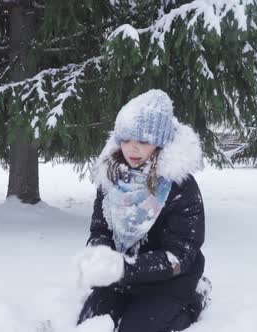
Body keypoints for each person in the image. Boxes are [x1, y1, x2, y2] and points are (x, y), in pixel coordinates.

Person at [75, 89, 210, 332]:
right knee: (90, 323)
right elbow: (101, 228)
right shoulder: (112, 178)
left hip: (170, 279)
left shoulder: (180, 186)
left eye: (143, 141)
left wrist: (124, 267)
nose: (132, 149)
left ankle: (195, 300)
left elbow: (181, 254)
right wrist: (99, 254)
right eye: (125, 140)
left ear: (160, 142)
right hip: (121, 277)